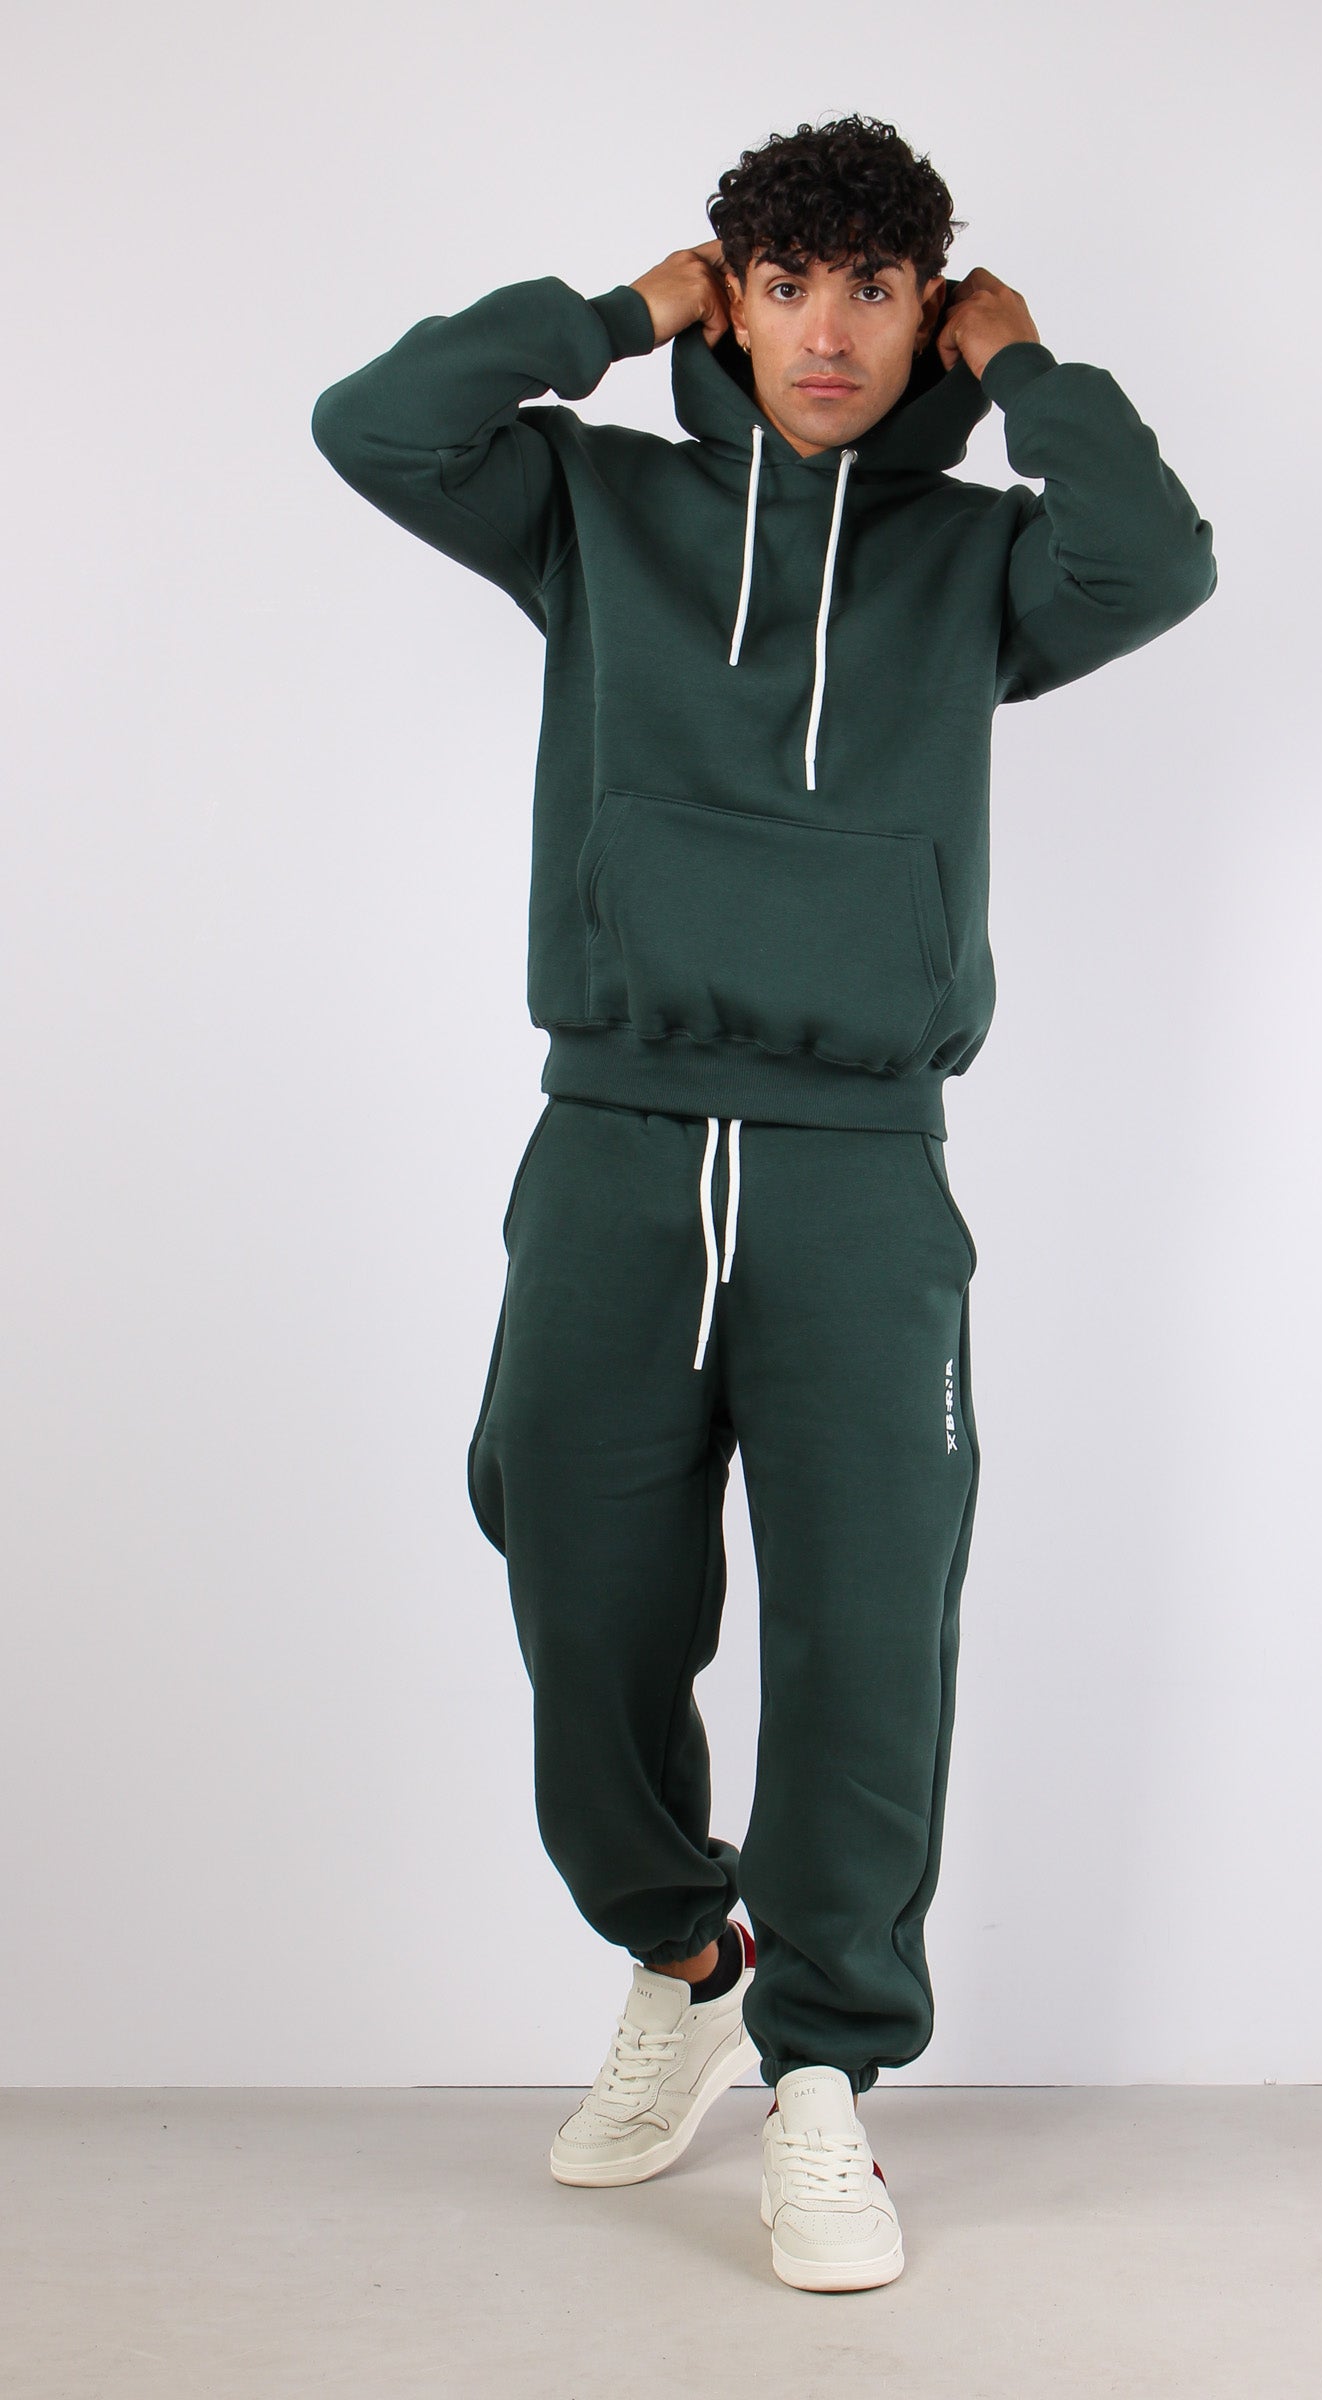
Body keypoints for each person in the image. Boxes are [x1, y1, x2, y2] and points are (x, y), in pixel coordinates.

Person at [310, 111, 1216, 2293]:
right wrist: (614, 315)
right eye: (786, 283)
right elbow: (375, 424)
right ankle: (684, 1951)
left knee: (865, 1627)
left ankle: (823, 2077)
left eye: (876, 291)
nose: (827, 332)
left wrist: (1027, 367)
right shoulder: (594, 507)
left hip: (858, 1174)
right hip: (615, 1142)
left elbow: (1156, 561)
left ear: (929, 309)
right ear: (731, 294)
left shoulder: (977, 560)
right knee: (576, 1570)